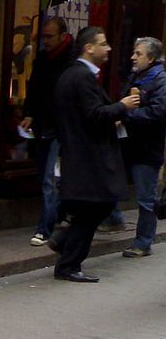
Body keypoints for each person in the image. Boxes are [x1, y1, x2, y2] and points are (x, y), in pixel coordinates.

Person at [49, 26, 140, 282]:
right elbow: (93, 115)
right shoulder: (80, 77)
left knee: (92, 208)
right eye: (104, 43)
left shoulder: (74, 76)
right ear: (89, 48)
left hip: (80, 154)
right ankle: (68, 263)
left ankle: (64, 244)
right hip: (87, 157)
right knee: (94, 208)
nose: (109, 48)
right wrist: (122, 106)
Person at [21, 16, 73, 246]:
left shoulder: (71, 61)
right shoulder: (43, 58)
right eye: (43, 36)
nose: (45, 41)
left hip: (61, 128)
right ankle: (60, 214)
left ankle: (45, 228)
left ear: (62, 36)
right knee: (46, 176)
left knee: (50, 179)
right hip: (43, 126)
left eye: (50, 36)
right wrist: (29, 113)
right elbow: (35, 87)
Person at [118, 37, 166, 257]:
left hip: (147, 148)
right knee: (110, 183)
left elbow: (158, 112)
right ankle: (113, 219)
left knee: (145, 199)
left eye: (138, 54)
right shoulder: (136, 76)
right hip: (129, 143)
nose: (133, 57)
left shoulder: (160, 80)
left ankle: (143, 242)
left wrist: (128, 115)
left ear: (151, 58)